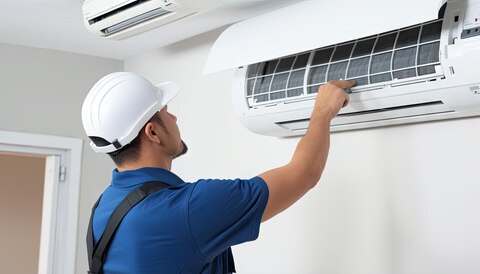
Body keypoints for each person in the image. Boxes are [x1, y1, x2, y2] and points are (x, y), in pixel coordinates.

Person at [81, 71, 355, 273]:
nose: (174, 118)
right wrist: (322, 112)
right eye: (166, 112)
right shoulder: (187, 209)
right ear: (153, 133)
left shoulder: (104, 208)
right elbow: (304, 173)